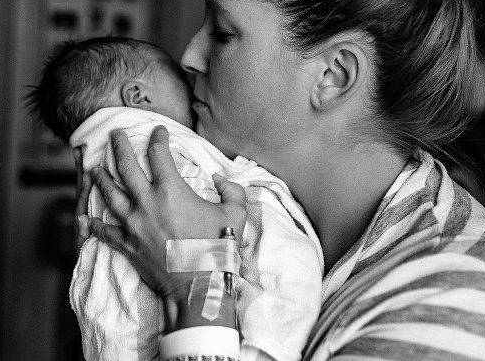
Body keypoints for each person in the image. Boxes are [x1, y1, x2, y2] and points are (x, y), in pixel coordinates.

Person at [77, 0, 485, 361]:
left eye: (224, 34)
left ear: (333, 75)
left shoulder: (454, 310)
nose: (188, 56)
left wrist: (194, 285)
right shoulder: (277, 225)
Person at [27, 36, 324, 361]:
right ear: (138, 96)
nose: (191, 64)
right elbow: (205, 219)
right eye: (181, 80)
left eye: (223, 34)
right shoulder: (152, 149)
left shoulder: (109, 162)